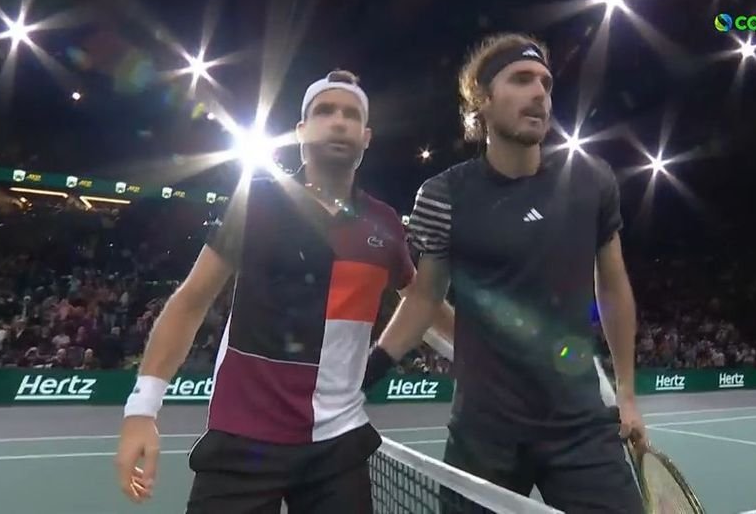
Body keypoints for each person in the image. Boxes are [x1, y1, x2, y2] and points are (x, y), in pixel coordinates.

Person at [115, 69, 452, 513]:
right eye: (325, 111)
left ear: (366, 137)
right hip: (242, 438)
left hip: (337, 445)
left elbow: (425, 303)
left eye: (351, 115)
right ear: (301, 130)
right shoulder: (255, 201)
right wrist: (142, 408)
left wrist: (487, 360)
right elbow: (191, 301)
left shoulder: (385, 223)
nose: (338, 121)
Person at [363, 33, 646, 513]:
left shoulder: (591, 180)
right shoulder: (443, 195)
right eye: (521, 80)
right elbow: (424, 299)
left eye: (546, 83)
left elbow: (613, 287)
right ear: (483, 100)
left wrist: (627, 394)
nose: (539, 93)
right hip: (483, 434)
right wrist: (366, 375)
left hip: (580, 429)